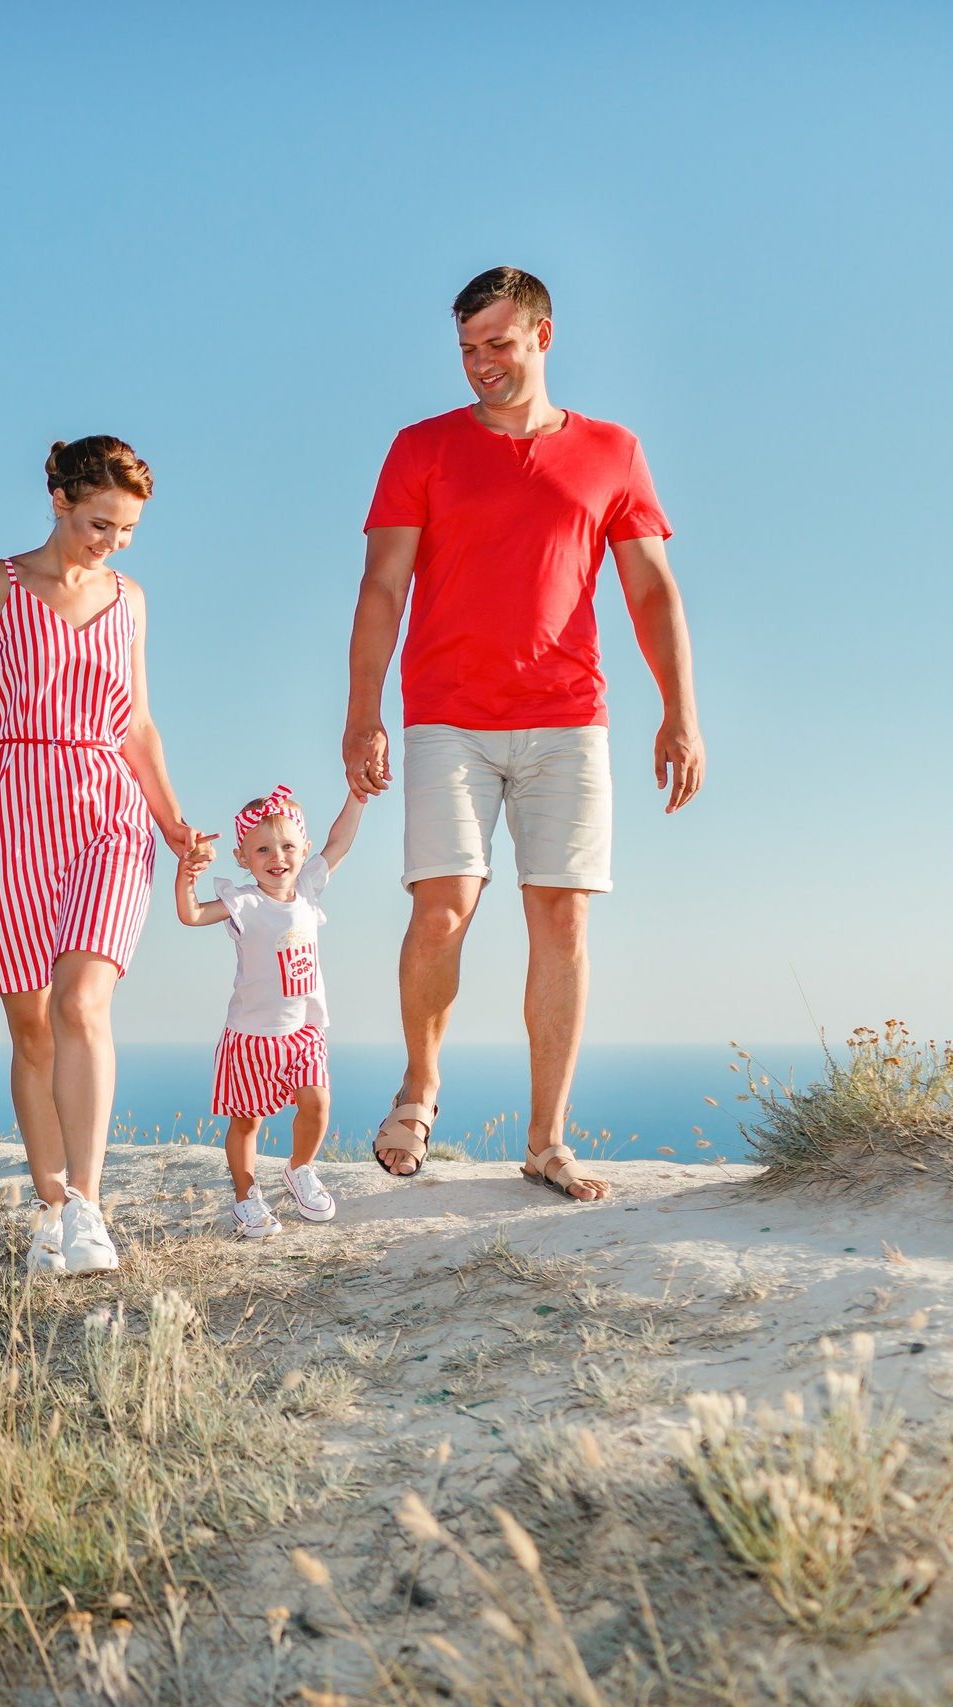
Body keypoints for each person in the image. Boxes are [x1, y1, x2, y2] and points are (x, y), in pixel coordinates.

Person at [343, 267, 705, 1200]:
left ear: (543, 336)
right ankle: (418, 1093)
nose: (480, 366)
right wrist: (361, 709)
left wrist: (681, 711)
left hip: (567, 718)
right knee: (441, 908)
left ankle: (546, 1140)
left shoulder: (612, 452)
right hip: (446, 716)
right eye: (466, 350)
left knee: (562, 916)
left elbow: (650, 588)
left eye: (497, 345)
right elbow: (383, 585)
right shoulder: (419, 448)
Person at [0, 436, 207, 1273]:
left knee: (80, 1005)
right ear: (61, 500)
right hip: (11, 809)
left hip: (107, 809)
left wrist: (171, 818)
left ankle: (89, 1209)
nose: (114, 540)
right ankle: (48, 1211)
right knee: (33, 1029)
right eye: (101, 522)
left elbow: (137, 721)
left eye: (129, 528)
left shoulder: (130, 599)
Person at [176, 785, 367, 1236]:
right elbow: (191, 915)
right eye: (262, 849)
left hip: (304, 1030)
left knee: (317, 1104)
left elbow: (339, 842)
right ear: (243, 857)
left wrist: (357, 797)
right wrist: (187, 876)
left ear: (303, 849)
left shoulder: (307, 889)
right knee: (246, 1123)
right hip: (252, 1036)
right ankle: (246, 1196)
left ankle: (299, 1169)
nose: (276, 856)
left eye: (286, 846)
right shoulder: (244, 901)